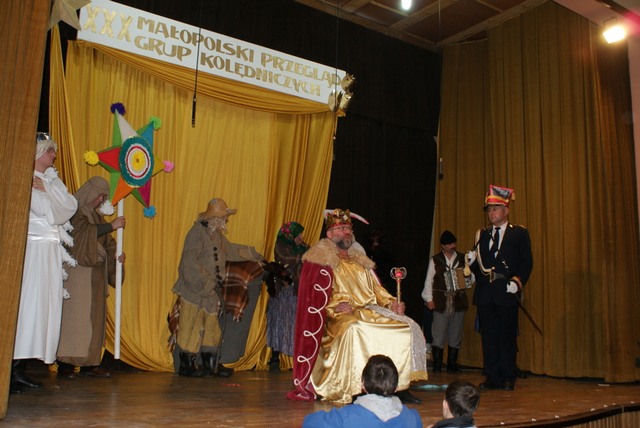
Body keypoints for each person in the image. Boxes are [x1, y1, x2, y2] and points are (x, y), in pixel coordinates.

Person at [287, 208, 427, 404]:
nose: (347, 232)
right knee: (354, 328)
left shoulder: (360, 260)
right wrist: (334, 307)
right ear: (330, 234)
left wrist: (391, 304)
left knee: (404, 327)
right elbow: (313, 298)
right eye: (342, 228)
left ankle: (399, 386)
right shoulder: (319, 259)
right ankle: (355, 387)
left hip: (368, 310)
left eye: (349, 229)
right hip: (337, 316)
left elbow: (377, 290)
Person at [12, 132, 78, 393]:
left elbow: (69, 207)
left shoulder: (51, 180)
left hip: (48, 250)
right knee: (28, 303)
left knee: (43, 306)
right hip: (33, 249)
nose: (54, 155)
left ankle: (21, 367)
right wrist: (52, 199)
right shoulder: (25, 178)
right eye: (50, 150)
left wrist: (49, 190)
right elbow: (46, 212)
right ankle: (13, 367)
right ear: (38, 152)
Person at [172, 197, 264, 377]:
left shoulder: (216, 235)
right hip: (195, 292)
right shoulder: (196, 233)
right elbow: (188, 263)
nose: (226, 220)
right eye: (223, 217)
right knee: (190, 327)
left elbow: (231, 250)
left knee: (212, 329)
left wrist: (254, 255)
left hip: (210, 294)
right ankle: (186, 366)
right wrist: (206, 284)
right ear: (214, 217)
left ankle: (210, 365)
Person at [56, 176, 126, 379]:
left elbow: (108, 242)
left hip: (95, 276)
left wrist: (116, 256)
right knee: (74, 318)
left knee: (93, 320)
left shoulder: (97, 217)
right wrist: (111, 226)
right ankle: (66, 363)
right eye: (99, 195)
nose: (100, 199)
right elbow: (80, 234)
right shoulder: (74, 211)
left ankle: (90, 363)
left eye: (104, 197)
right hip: (77, 275)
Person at [466, 185, 533, 391]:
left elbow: (526, 262)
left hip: (506, 290)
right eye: (489, 209)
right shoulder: (482, 234)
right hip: (486, 293)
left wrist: (518, 281)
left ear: (506, 210)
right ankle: (492, 376)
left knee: (507, 336)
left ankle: (507, 376)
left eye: (495, 208)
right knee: (489, 337)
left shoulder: (518, 233)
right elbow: (481, 268)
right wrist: (471, 262)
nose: (491, 212)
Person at [302, 354, 423, 427]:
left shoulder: (344, 417)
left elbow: (309, 422)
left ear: (362, 384)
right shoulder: (412, 418)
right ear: (396, 387)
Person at [421, 231, 473, 373]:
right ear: (443, 246)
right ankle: (437, 364)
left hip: (458, 301)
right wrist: (429, 299)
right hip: (441, 301)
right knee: (438, 333)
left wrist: (467, 276)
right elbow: (429, 280)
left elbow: (470, 279)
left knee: (456, 333)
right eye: (449, 244)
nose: (452, 246)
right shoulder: (436, 260)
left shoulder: (462, 259)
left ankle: (452, 364)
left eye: (454, 243)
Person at [265, 221, 309, 371]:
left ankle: (297, 360)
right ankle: (274, 358)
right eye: (299, 234)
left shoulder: (304, 247)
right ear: (290, 235)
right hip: (283, 290)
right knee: (279, 322)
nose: (301, 237)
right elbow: (283, 259)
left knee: (295, 324)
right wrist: (302, 257)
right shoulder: (281, 245)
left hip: (298, 291)